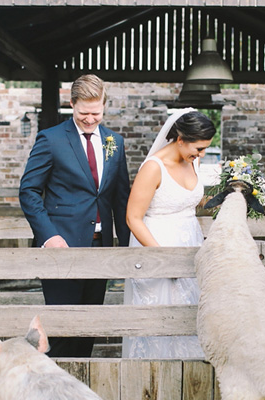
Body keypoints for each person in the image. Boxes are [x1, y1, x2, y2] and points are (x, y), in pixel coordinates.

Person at [19, 74, 130, 358]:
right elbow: (29, 191)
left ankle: (79, 379)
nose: (90, 119)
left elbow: (120, 199)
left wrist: (127, 248)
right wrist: (49, 236)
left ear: (104, 106)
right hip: (62, 247)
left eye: (96, 113)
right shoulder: (51, 139)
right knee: (62, 329)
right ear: (71, 104)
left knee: (89, 326)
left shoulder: (115, 142)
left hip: (100, 248)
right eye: (83, 113)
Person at [122, 108, 216, 359]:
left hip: (191, 243)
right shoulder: (154, 168)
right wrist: (163, 258)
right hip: (158, 245)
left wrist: (227, 198)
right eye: (199, 148)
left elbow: (187, 199)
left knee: (190, 311)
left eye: (205, 149)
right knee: (160, 317)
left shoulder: (192, 160)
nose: (201, 154)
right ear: (180, 139)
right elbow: (133, 218)